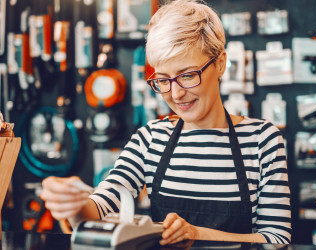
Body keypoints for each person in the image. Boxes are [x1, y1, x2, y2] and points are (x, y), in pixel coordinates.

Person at [40, 0, 291, 245]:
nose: (176, 93)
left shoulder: (261, 139)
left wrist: (197, 234)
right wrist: (73, 204)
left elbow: (276, 240)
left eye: (188, 75)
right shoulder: (150, 139)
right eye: (163, 80)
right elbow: (101, 207)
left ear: (220, 63)